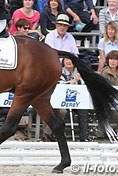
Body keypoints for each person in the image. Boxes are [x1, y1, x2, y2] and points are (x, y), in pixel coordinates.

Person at [43, 13, 78, 141]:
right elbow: (50, 57)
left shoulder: (71, 38)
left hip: (66, 70)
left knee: (60, 108)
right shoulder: (50, 37)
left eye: (65, 25)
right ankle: (50, 133)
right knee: (50, 105)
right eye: (60, 25)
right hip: (51, 70)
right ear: (56, 25)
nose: (62, 27)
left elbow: (75, 55)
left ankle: (50, 133)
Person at [59, 58, 89, 142]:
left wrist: (78, 81)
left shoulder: (79, 72)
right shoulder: (59, 72)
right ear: (63, 62)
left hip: (78, 99)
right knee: (61, 111)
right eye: (66, 60)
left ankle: (84, 137)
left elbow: (84, 85)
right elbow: (60, 85)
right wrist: (72, 82)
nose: (69, 62)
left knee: (83, 110)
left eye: (71, 60)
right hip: (62, 100)